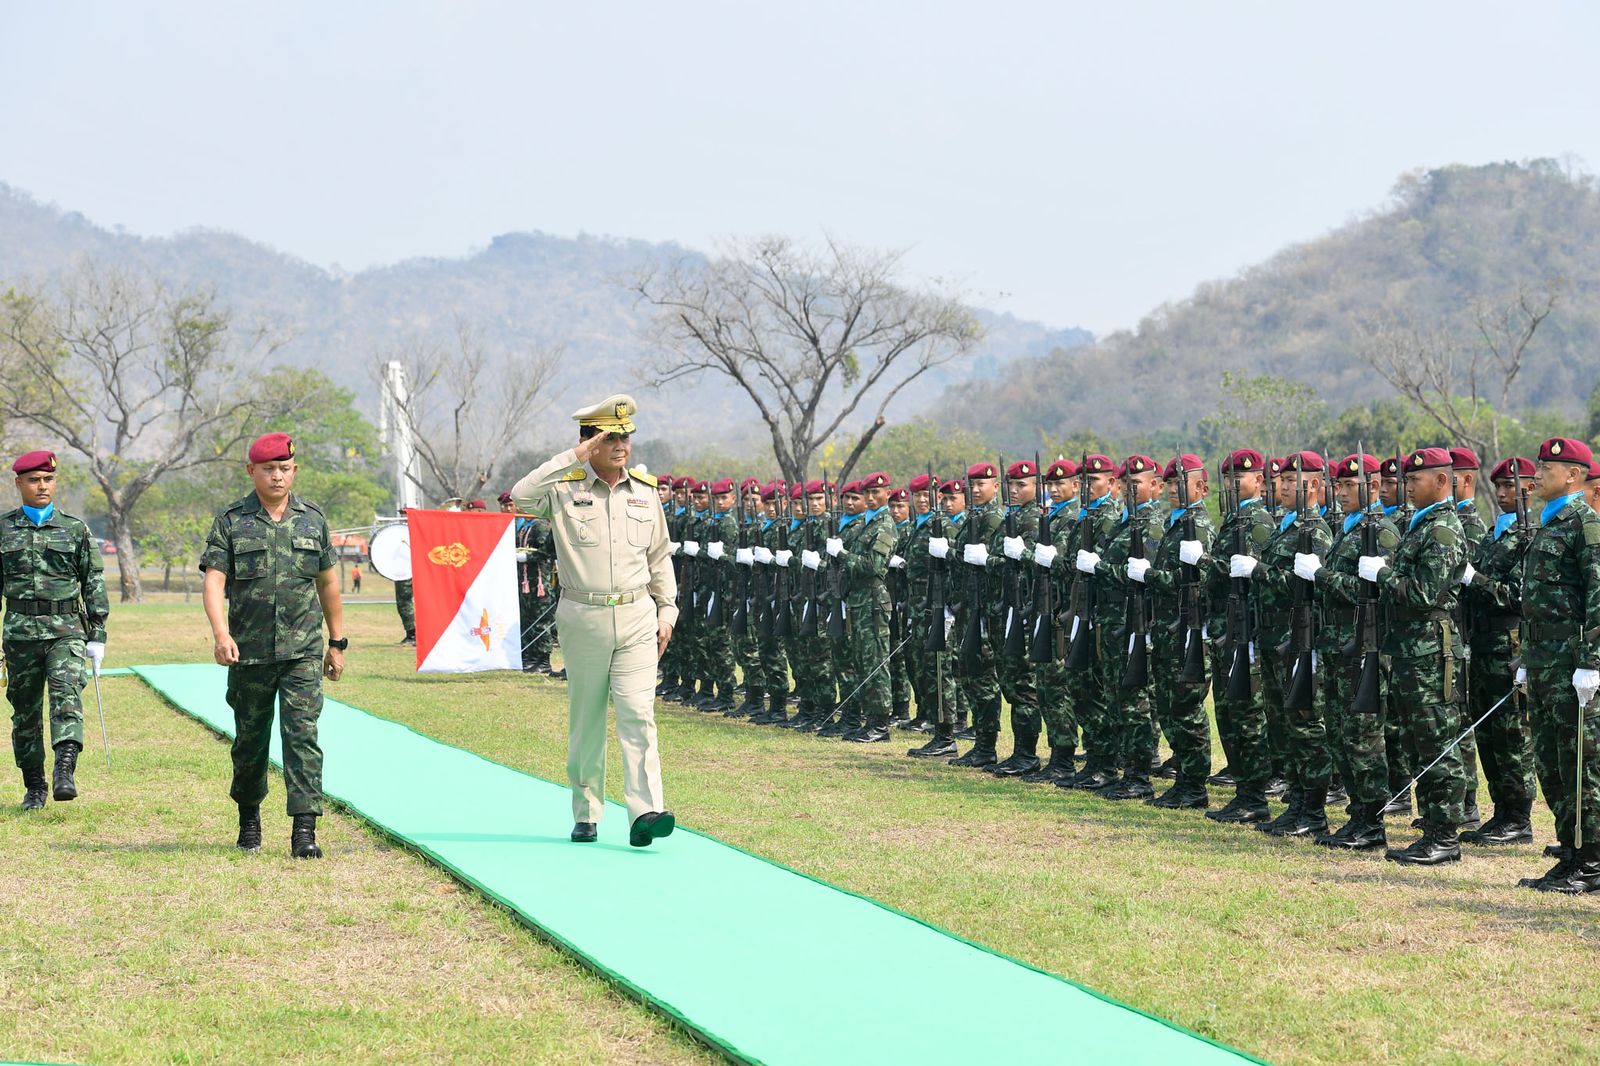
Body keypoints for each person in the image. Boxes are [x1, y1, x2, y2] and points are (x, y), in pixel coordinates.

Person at [511, 394, 678, 849]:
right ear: (590, 441)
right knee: (587, 719)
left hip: (638, 614)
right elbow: (518, 496)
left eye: (626, 437)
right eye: (611, 438)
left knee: (639, 715)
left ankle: (645, 811)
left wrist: (667, 610)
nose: (622, 446)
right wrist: (574, 459)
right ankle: (586, 811)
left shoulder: (644, 492)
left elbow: (659, 556)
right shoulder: (563, 487)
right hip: (583, 615)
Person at [200, 432, 345, 859]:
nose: (277, 476)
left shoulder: (312, 520)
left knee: (302, 737)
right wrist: (221, 633)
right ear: (252, 472)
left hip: (302, 652)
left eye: (284, 468)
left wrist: (337, 643)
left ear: (294, 470)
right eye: (268, 469)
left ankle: (304, 831)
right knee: (250, 740)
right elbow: (214, 580)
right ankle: (249, 820)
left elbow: (328, 583)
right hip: (249, 653)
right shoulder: (231, 521)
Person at [1360, 447, 1470, 866]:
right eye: (1405, 480)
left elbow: (1425, 594)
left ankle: (1445, 836)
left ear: (1442, 482)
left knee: (1438, 742)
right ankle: (1432, 827)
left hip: (1430, 653)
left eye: (1415, 480)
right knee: (1419, 741)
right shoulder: (1422, 527)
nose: (1407, 486)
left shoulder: (1442, 529)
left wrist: (1383, 574)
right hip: (1411, 651)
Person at [1515, 437, 1600, 892]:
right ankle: (1569, 854)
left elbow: (1598, 597)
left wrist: (1591, 662)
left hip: (1573, 663)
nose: (1538, 473)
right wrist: (1527, 659)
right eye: (1540, 466)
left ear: (1574, 475)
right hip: (1544, 660)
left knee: (1580, 764)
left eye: (1549, 468)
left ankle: (1591, 862)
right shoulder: (1548, 524)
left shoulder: (1584, 524)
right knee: (1550, 762)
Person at [3, 450, 109, 810]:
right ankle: (34, 785)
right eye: (34, 480)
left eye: (48, 479)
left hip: (66, 631)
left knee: (67, 699)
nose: (42, 486)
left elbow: (92, 580)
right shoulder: (3, 529)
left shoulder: (75, 529)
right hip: (18, 634)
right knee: (25, 712)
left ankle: (65, 770)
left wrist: (98, 635)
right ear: (19, 484)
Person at [1458, 457, 1538, 847]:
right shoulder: (1494, 535)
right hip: (1483, 644)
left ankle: (1519, 816)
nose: (1505, 494)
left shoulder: (1530, 537)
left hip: (1509, 643)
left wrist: (1478, 580)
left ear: (1530, 490)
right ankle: (1501, 811)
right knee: (1488, 732)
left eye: (1512, 487)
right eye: (1500, 488)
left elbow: (1518, 598)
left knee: (1511, 732)